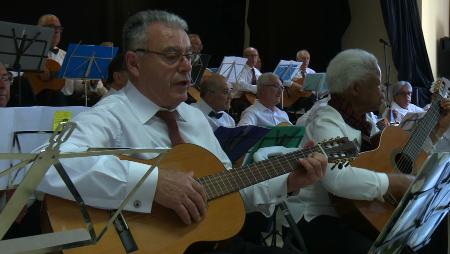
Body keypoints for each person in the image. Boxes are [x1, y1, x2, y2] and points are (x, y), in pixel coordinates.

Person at [36, 10, 328, 254]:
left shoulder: (194, 117)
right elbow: (45, 164)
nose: (187, 66)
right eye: (172, 55)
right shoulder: (111, 115)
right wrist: (151, 184)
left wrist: (287, 181)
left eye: (188, 56)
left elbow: (226, 188)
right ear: (134, 63)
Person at [267, 49, 450, 254]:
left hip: (359, 212)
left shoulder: (365, 123)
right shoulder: (328, 122)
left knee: (429, 235)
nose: (382, 90)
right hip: (318, 216)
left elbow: (401, 160)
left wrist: (437, 131)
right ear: (355, 88)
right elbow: (337, 177)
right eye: (377, 83)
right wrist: (393, 182)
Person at [35, 14, 107, 106]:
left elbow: (78, 86)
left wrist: (93, 83)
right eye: (51, 27)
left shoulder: (67, 56)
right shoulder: (27, 53)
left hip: (66, 103)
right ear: (38, 29)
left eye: (59, 28)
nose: (56, 31)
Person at [230, 47, 261, 120]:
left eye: (255, 55)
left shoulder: (257, 71)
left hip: (252, 98)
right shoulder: (239, 68)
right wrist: (255, 88)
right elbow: (239, 84)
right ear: (245, 57)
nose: (253, 58)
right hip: (238, 98)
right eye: (250, 55)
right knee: (245, 107)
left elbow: (262, 83)